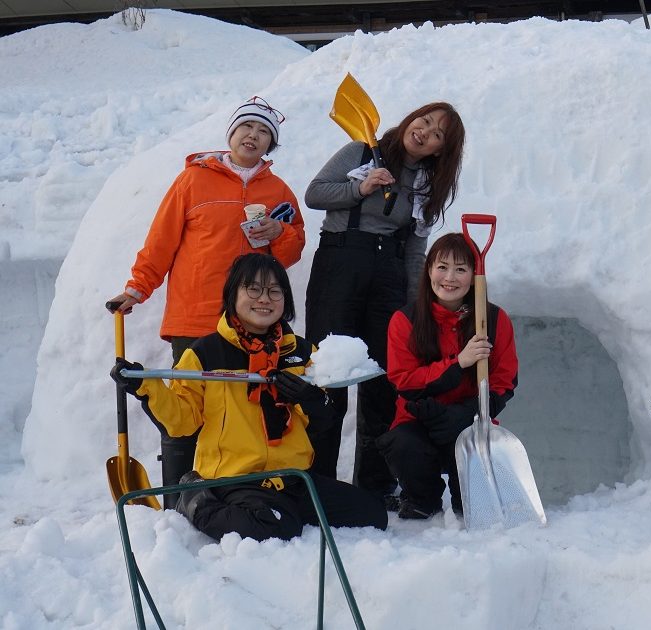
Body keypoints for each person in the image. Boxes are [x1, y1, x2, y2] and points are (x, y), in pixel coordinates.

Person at [107, 97, 306, 508]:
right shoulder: (192, 181)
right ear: (230, 134)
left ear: (271, 144)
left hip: (252, 323)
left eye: (263, 132)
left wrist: (276, 233)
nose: (253, 136)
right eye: (246, 128)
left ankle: (237, 491)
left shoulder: (279, 191)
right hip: (196, 316)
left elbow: (290, 252)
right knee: (184, 408)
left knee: (244, 411)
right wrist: (137, 288)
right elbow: (161, 241)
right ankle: (181, 497)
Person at [111, 253, 388, 541]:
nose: (264, 299)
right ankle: (196, 502)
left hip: (292, 478)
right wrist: (146, 387)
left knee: (372, 514)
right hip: (234, 479)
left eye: (274, 291)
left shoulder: (302, 353)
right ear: (233, 294)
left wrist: (310, 398)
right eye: (253, 289)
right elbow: (182, 422)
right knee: (277, 527)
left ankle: (280, 511)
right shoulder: (204, 354)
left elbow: (323, 420)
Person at [303, 102, 465, 506]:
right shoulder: (361, 152)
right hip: (341, 263)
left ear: (441, 151)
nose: (425, 131)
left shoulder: (426, 184)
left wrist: (415, 307)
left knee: (382, 381)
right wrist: (361, 187)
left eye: (438, 133)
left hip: (390, 274)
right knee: (329, 376)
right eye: (424, 120)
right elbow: (314, 194)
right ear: (411, 119)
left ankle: (374, 487)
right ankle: (317, 482)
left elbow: (415, 250)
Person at [378, 233, 518, 519]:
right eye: (442, 267)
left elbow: (505, 379)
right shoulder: (406, 320)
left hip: (470, 422)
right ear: (429, 269)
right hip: (419, 420)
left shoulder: (494, 319)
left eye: (461, 269)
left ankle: (467, 498)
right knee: (403, 444)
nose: (449, 278)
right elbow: (403, 378)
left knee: (471, 498)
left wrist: (470, 413)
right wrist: (459, 364)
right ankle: (421, 499)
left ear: (474, 276)